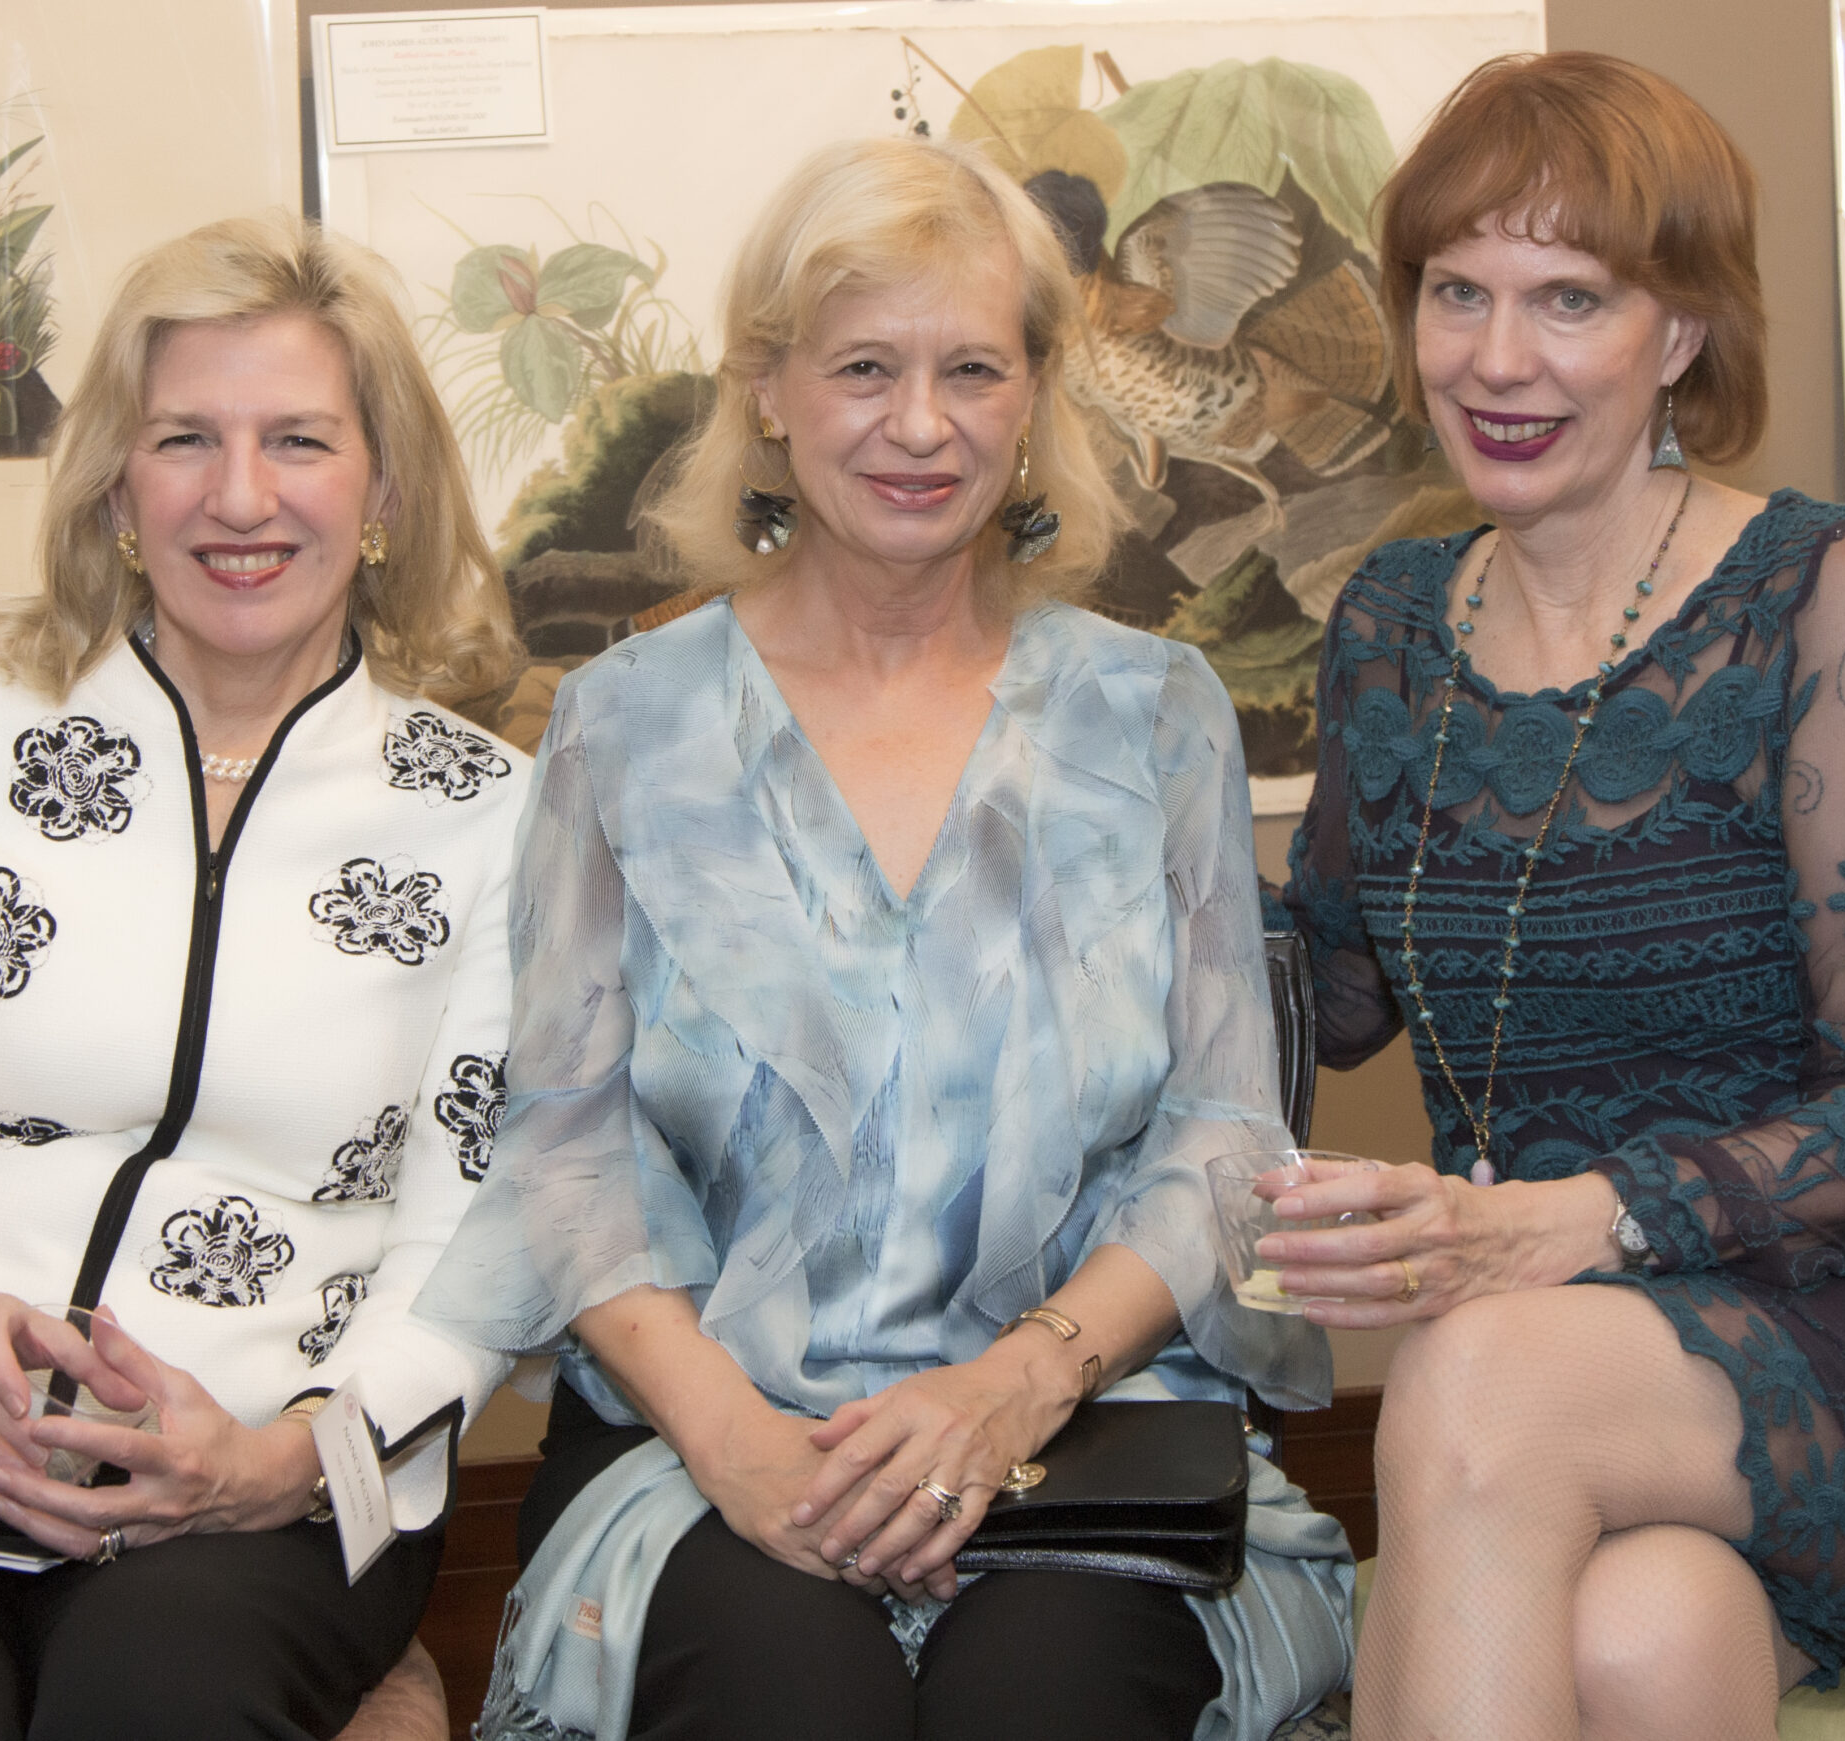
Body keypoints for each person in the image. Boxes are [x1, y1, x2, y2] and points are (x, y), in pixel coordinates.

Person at [1265, 51, 1845, 1741]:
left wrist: (1587, 1217)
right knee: (1643, 1640)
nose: (1496, 357)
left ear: (1681, 329)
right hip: (1598, 1360)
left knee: (1475, 1372)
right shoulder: (1391, 625)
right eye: (1458, 291)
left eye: (1569, 298)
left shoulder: (1826, 596)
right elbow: (1325, 993)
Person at [410, 137, 1355, 1741]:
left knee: (1038, 1708)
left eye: (971, 368)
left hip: (1089, 1436)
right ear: (767, 389)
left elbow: (1223, 1136)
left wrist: (1018, 1382)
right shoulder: (620, 723)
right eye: (864, 367)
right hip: (703, 1449)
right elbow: (565, 1147)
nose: (922, 425)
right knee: (796, 1702)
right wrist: (736, 1442)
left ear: (1035, 391)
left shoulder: (1157, 713)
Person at [0, 211, 531, 1740]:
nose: (241, 495)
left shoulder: (490, 814)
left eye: (300, 440)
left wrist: (282, 1459)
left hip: (270, 1473)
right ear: (118, 487)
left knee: (157, 1701)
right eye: (185, 438)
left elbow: (472, 1248)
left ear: (386, 490)